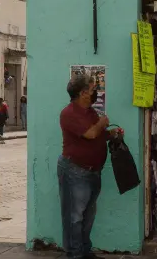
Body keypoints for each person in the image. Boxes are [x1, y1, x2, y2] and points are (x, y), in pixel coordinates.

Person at [59, 74, 121, 259]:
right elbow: (91, 134)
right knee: (74, 218)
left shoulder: (90, 112)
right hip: (75, 171)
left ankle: (85, 252)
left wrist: (112, 133)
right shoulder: (69, 113)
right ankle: (74, 255)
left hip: (93, 172)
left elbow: (99, 135)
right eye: (93, 89)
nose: (96, 93)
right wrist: (102, 123)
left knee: (87, 217)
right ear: (83, 93)